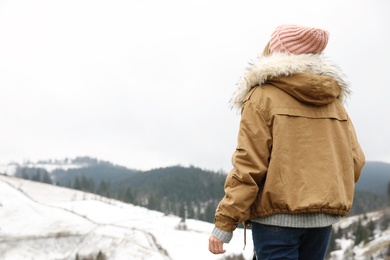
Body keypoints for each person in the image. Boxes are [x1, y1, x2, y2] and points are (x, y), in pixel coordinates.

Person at [208, 24, 365, 259]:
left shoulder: (261, 97)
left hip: (276, 223)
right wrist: (323, 193)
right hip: (320, 225)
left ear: (276, 51)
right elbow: (355, 161)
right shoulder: (334, 101)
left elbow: (249, 165)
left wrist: (224, 223)